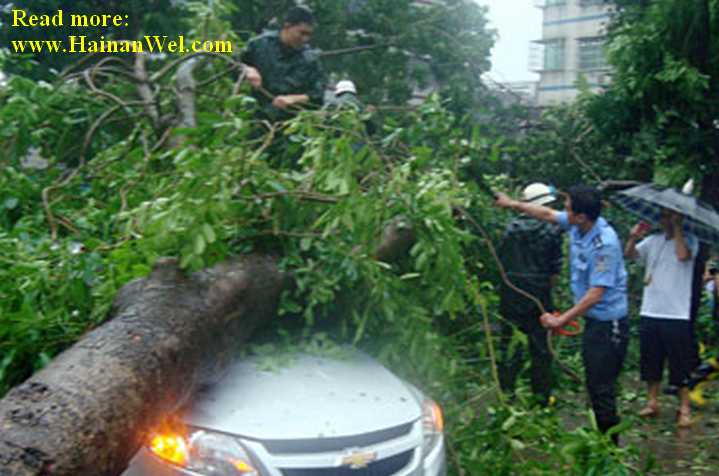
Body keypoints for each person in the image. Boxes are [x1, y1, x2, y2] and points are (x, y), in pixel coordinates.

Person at [495, 185, 629, 440]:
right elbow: (545, 214)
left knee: (601, 387)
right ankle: (602, 439)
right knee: (594, 382)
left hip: (608, 325)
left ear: (581, 216)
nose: (563, 212)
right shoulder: (578, 225)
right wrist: (511, 203)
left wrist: (561, 319)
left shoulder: (605, 244)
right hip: (593, 321)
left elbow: (596, 293)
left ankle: (610, 448)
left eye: (567, 209)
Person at [625, 209, 699, 428]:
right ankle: (652, 401)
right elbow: (631, 256)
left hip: (676, 313)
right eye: (664, 217)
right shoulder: (652, 241)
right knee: (651, 360)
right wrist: (632, 238)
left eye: (671, 217)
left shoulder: (691, 241)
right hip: (651, 310)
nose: (665, 221)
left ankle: (684, 407)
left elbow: (683, 256)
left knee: (680, 363)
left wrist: (677, 229)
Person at [497, 183, 563, 406]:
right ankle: (541, 398)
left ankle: (507, 395)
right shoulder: (552, 231)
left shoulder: (510, 229)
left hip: (511, 295)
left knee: (510, 346)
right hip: (540, 297)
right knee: (541, 349)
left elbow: (501, 262)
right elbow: (555, 272)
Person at [240, 6, 327, 121]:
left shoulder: (310, 59)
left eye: (309, 35)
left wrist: (294, 99)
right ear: (287, 26)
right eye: (302, 33)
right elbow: (231, 53)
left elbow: (318, 95)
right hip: (252, 117)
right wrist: (247, 69)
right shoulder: (259, 44)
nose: (305, 39)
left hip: (288, 124)